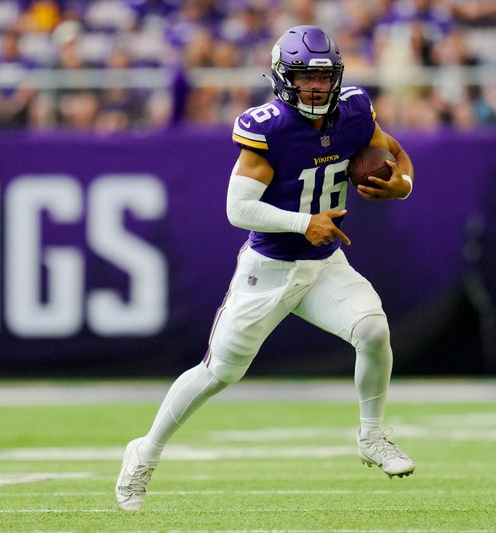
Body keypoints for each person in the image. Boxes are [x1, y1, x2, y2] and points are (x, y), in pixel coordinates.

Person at [115, 24, 416, 512]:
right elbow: (237, 208)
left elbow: (396, 153)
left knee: (373, 330)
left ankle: (372, 436)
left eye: (323, 77)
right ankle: (144, 453)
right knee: (218, 373)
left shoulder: (355, 109)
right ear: (283, 77)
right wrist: (303, 224)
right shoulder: (269, 126)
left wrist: (402, 184)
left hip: (323, 264)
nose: (316, 87)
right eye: (304, 76)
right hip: (269, 269)